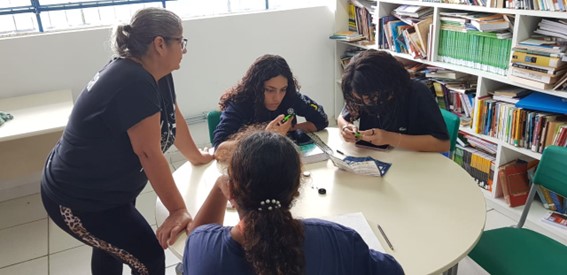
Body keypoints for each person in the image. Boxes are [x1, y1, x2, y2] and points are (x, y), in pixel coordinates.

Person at [40, 8, 213, 275]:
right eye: (181, 41)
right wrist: (178, 209)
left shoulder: (155, 72)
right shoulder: (134, 82)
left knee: (112, 249)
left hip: (108, 191)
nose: (184, 49)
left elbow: (172, 117)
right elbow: (148, 153)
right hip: (79, 199)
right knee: (149, 258)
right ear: (159, 44)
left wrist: (196, 157)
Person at [183, 131, 404, 275]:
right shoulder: (338, 240)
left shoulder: (203, 249)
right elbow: (393, 271)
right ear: (297, 188)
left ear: (231, 190)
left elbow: (199, 235)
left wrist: (219, 186)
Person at [338, 49, 450, 152]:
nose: (365, 103)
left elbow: (443, 144)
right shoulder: (361, 92)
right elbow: (342, 118)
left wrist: (391, 138)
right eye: (359, 99)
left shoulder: (417, 92)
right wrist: (346, 128)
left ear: (387, 85)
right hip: (374, 160)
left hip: (412, 162)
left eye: (369, 98)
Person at [212, 54, 329, 149]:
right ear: (256, 87)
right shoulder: (240, 103)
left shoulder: (290, 96)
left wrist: (288, 129)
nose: (277, 98)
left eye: (283, 89)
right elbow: (219, 149)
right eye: (269, 90)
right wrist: (265, 136)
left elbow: (322, 120)